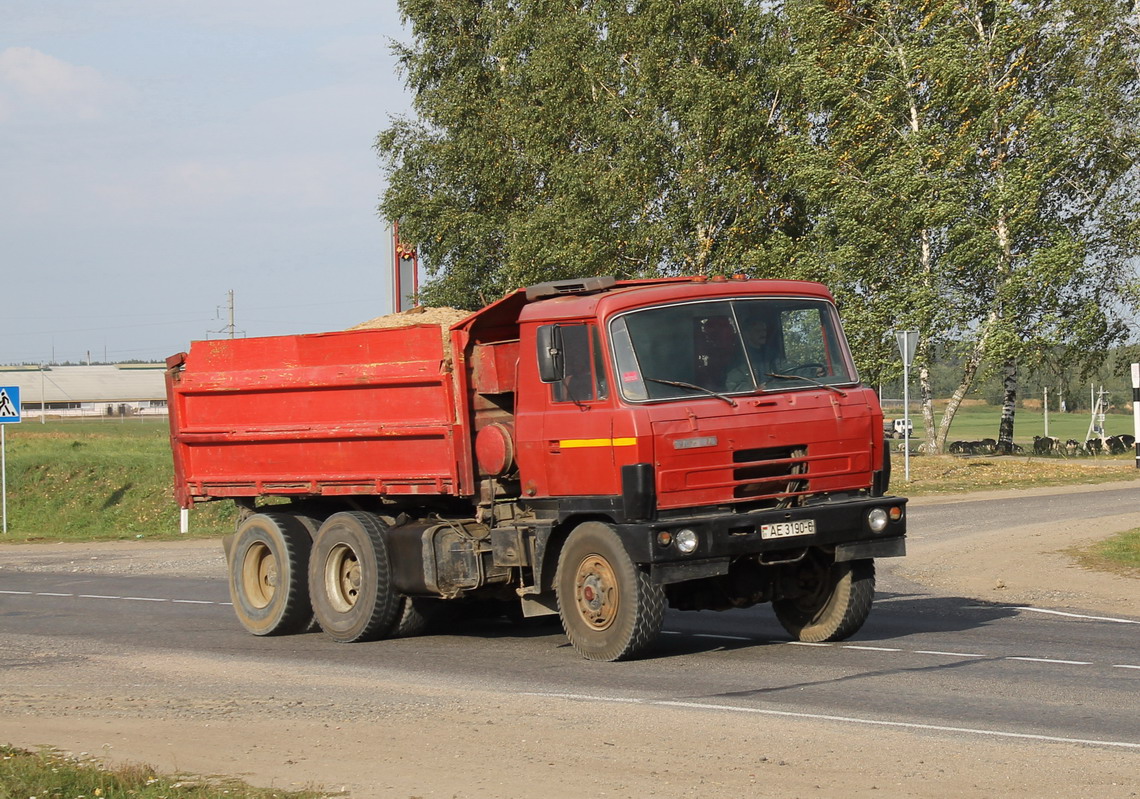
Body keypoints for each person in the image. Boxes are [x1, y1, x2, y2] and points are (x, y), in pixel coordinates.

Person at [725, 314, 779, 391]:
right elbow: (732, 384)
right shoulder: (739, 357)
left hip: (775, 393)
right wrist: (752, 389)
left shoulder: (772, 354)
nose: (763, 334)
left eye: (764, 330)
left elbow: (784, 369)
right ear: (746, 334)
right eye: (758, 331)